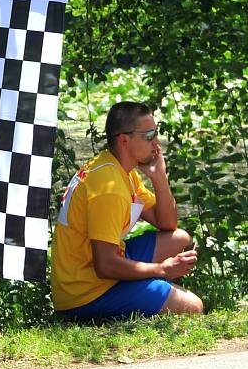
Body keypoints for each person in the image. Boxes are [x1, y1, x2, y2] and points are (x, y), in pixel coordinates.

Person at [51, 101, 203, 321]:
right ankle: (153, 292)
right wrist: (161, 269)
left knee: (179, 239)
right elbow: (105, 265)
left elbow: (167, 225)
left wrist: (159, 177)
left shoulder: (120, 169)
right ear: (124, 139)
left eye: (156, 133)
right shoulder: (108, 188)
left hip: (99, 271)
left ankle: (152, 292)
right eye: (149, 135)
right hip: (85, 293)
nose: (156, 142)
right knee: (193, 306)